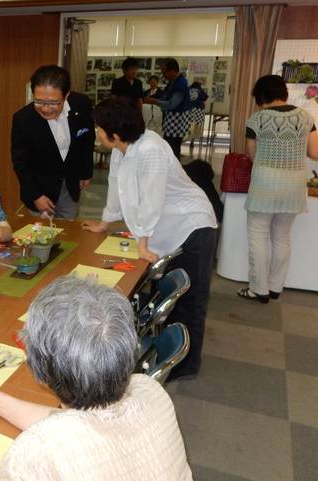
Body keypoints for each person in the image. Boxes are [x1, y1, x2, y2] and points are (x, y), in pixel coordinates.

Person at [0, 276, 193, 481]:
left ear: (41, 370)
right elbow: (74, 424)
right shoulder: (150, 390)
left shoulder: (38, 451)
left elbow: (57, 434)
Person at [82, 98, 217, 380]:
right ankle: (168, 349)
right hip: (164, 229)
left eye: (98, 128)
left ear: (114, 134)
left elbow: (151, 201)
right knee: (167, 294)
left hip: (191, 226)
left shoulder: (150, 149)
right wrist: (104, 223)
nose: (96, 132)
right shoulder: (122, 149)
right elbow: (116, 189)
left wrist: (142, 242)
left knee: (190, 299)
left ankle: (186, 366)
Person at [237, 75, 318, 303]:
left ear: (262, 96)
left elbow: (252, 155)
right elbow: (315, 153)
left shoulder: (257, 119)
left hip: (264, 183)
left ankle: (258, 289)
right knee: (282, 237)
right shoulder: (306, 117)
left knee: (258, 235)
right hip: (294, 185)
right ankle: (275, 287)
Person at [11, 65, 95, 219]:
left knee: (69, 234)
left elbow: (87, 139)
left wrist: (86, 172)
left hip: (70, 184)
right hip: (40, 188)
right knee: (40, 238)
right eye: (39, 101)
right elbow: (20, 163)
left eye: (53, 103)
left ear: (66, 95)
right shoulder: (23, 119)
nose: (45, 108)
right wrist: (36, 196)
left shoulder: (82, 105)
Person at [144, 58, 191, 159]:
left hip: (176, 123)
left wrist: (154, 101)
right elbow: (166, 98)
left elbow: (171, 104)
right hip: (171, 122)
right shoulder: (173, 82)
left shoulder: (180, 84)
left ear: (173, 70)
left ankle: (173, 172)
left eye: (164, 72)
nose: (163, 75)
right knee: (169, 149)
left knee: (173, 150)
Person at [188, 81, 208, 149]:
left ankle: (185, 138)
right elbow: (205, 97)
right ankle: (192, 141)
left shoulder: (188, 89)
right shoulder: (200, 91)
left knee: (188, 124)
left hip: (189, 110)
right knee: (197, 125)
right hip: (198, 110)